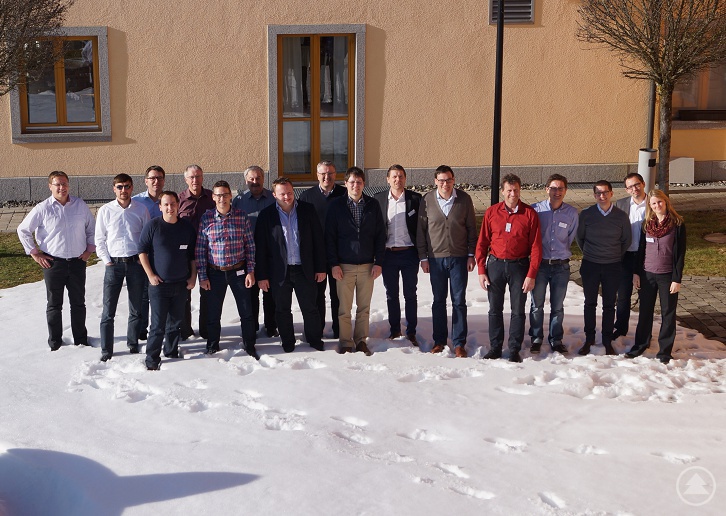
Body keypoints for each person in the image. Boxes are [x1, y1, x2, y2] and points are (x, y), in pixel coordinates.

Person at [17, 171, 95, 350]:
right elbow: (23, 230)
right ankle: (55, 343)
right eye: (57, 184)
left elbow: (91, 228)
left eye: (64, 183)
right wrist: (35, 253)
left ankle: (81, 340)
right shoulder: (43, 208)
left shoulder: (80, 205)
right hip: (53, 264)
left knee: (78, 303)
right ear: (50, 186)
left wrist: (89, 250)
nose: (62, 187)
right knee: (54, 305)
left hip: (77, 262)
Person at [476, 174, 542, 362]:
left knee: (518, 310)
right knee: (494, 309)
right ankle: (495, 347)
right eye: (509, 190)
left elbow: (536, 247)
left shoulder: (529, 214)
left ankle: (514, 349)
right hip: (495, 265)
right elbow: (482, 242)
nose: (513, 194)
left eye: (516, 190)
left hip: (519, 266)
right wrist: (481, 270)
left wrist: (531, 274)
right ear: (503, 191)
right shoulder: (492, 212)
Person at [255, 177, 326, 352]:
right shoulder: (266, 215)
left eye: (289, 193)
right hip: (280, 272)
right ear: (274, 195)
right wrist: (262, 276)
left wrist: (321, 268)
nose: (287, 197)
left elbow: (318, 241)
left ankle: (314, 339)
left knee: (310, 308)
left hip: (304, 269)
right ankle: (288, 342)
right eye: (282, 194)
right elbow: (261, 249)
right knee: (282, 309)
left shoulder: (307, 210)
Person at [417, 165, 477, 357]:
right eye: (441, 180)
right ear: (435, 181)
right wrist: (423, 257)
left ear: (453, 180)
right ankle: (440, 341)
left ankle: (459, 343)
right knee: (438, 301)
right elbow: (421, 231)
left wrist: (471, 254)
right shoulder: (427, 200)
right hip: (436, 259)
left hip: (459, 258)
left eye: (449, 180)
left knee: (459, 301)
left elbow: (471, 228)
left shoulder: (464, 199)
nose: (445, 184)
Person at [325, 167, 386, 355]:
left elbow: (380, 235)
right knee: (344, 309)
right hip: (344, 266)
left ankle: (361, 340)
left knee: (364, 308)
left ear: (363, 184)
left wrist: (378, 262)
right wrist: (334, 264)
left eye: (359, 182)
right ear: (345, 184)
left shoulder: (373, 205)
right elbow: (330, 237)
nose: (355, 185)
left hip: (367, 266)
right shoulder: (336, 205)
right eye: (352, 182)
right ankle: (345, 342)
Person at [196, 181, 258, 358]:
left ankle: (249, 345)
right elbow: (200, 249)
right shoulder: (206, 218)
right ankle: (212, 346)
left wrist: (250, 271)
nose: (221, 198)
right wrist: (203, 276)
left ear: (230, 196)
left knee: (246, 312)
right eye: (218, 195)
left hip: (239, 272)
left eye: (225, 194)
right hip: (214, 273)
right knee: (213, 314)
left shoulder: (241, 216)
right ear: (213, 197)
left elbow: (250, 245)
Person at [138, 191, 197, 370]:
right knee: (157, 326)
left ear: (178, 205)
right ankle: (152, 359)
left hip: (181, 284)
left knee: (175, 324)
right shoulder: (153, 226)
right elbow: (142, 252)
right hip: (159, 286)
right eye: (166, 204)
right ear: (160, 207)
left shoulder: (186, 227)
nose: (170, 208)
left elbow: (192, 256)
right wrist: (150, 275)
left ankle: (171, 352)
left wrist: (192, 277)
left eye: (173, 204)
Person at [626, 190, 686, 364]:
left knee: (668, 313)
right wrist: (637, 273)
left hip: (667, 276)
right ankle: (641, 344)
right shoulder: (647, 224)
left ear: (666, 202)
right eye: (653, 203)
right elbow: (641, 250)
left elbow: (680, 254)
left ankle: (665, 351)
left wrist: (677, 279)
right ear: (650, 206)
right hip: (647, 274)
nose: (657, 205)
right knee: (645, 311)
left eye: (660, 202)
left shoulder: (677, 224)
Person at [95, 173, 150, 361]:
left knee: (136, 308)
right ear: (114, 189)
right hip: (114, 265)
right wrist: (107, 260)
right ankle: (106, 349)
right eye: (119, 187)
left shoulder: (141, 209)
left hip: (135, 264)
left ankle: (132, 343)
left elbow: (146, 237)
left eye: (127, 186)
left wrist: (142, 260)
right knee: (108, 311)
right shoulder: (105, 210)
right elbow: (99, 239)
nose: (123, 190)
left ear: (132, 187)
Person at [576, 180, 631, 356]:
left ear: (611, 193)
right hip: (590, 265)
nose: (602, 196)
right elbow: (580, 238)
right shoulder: (586, 215)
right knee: (590, 303)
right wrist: (591, 253)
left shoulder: (621, 216)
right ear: (594, 195)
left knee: (609, 305)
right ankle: (589, 338)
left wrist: (613, 255)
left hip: (612, 266)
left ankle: (607, 340)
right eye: (598, 193)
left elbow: (626, 240)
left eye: (605, 192)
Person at [528, 174, 578, 355]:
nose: (557, 192)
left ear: (565, 190)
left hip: (560, 267)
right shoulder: (535, 210)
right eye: (554, 188)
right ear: (546, 189)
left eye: (561, 188)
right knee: (537, 305)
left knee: (557, 306)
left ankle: (556, 339)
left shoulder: (572, 213)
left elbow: (570, 238)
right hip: (540, 265)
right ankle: (536, 338)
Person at [374, 165, 422, 346]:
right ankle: (395, 329)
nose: (397, 180)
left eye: (401, 176)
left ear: (405, 178)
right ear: (388, 179)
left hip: (409, 253)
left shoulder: (415, 199)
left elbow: (421, 228)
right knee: (391, 294)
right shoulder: (379, 199)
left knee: (410, 294)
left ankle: (411, 331)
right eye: (394, 176)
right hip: (388, 255)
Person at [300, 160, 346, 338]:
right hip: (315, 256)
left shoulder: (344, 194)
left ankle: (339, 330)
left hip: (339, 255)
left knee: (338, 295)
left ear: (336, 174)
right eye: (323, 173)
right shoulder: (306, 196)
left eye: (330, 173)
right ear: (317, 175)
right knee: (317, 295)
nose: (327, 177)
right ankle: (317, 330)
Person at [232, 165, 277, 338]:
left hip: (270, 253)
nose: (255, 181)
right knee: (250, 293)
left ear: (263, 179)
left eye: (258, 178)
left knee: (270, 292)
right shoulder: (239, 200)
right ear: (246, 180)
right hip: (246, 254)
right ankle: (253, 327)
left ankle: (271, 326)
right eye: (251, 178)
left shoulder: (273, 198)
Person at [179, 164, 215, 340]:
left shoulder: (212, 197)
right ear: (186, 179)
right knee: (184, 295)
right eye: (192, 177)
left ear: (202, 177)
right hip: (185, 255)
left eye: (198, 176)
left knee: (208, 293)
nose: (195, 180)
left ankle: (206, 331)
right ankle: (185, 331)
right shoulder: (179, 199)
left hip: (209, 253)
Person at [613, 172, 648, 341]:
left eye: (637, 184)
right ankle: (620, 329)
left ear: (643, 184)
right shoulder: (621, 205)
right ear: (626, 190)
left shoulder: (653, 203)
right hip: (626, 256)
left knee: (645, 296)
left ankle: (644, 332)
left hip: (647, 257)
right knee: (623, 295)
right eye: (630, 187)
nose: (634, 189)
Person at [132, 165, 166, 340]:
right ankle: (142, 331)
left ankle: (163, 329)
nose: (156, 181)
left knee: (163, 295)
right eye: (152, 178)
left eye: (159, 178)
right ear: (146, 181)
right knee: (143, 295)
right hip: (142, 256)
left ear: (164, 181)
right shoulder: (136, 202)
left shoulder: (168, 200)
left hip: (163, 256)